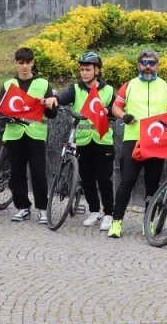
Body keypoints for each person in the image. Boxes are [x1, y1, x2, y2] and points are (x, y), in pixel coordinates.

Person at [108, 49, 167, 238]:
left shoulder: (166, 87)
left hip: (157, 139)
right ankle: (116, 221)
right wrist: (124, 116)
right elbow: (115, 107)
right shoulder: (129, 85)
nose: (148, 66)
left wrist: (163, 123)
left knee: (152, 183)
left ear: (157, 65)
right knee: (127, 180)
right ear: (139, 64)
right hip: (133, 138)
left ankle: (149, 221)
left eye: (152, 63)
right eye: (144, 63)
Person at [44, 52, 117, 232]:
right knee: (87, 178)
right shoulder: (76, 89)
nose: (84, 73)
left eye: (88, 69)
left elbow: (117, 109)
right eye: (82, 70)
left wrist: (108, 110)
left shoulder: (108, 90)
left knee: (104, 179)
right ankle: (95, 211)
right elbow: (64, 97)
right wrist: (55, 99)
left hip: (103, 140)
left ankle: (109, 213)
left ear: (96, 70)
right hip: (83, 141)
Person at [0, 47, 57, 223]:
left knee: (38, 172)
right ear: (16, 63)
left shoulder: (43, 84)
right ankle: (22, 207)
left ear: (33, 63)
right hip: (14, 134)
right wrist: (8, 118)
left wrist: (48, 105)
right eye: (21, 63)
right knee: (16, 173)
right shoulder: (8, 85)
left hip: (36, 134)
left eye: (28, 62)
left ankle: (42, 208)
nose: (24, 66)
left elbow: (52, 115)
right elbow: (1, 112)